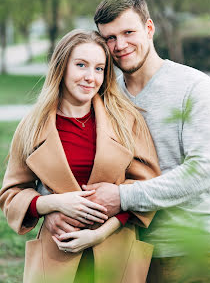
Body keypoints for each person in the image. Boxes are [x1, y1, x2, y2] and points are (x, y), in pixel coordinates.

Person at [45, 0, 210, 282]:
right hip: (123, 250)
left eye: (128, 32)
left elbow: (202, 171)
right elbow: (65, 151)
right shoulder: (104, 94)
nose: (120, 45)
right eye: (110, 37)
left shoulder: (195, 87)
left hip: (192, 249)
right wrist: (52, 206)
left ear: (149, 29)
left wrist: (123, 197)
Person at [0, 29, 160, 283]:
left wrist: (101, 232)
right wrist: (53, 205)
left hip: (115, 253)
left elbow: (147, 187)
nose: (90, 77)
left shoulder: (126, 120)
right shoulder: (32, 125)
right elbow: (11, 195)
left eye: (99, 68)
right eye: (81, 65)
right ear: (62, 67)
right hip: (56, 256)